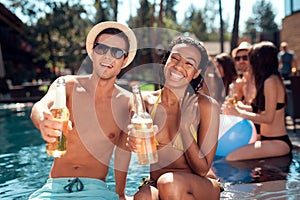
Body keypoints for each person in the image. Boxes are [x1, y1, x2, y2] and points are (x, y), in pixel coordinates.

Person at [29, 21, 137, 199]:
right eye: (102, 48)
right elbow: (40, 106)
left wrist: (121, 194)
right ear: (92, 53)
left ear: (124, 60)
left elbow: (123, 153)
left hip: (96, 190)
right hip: (53, 189)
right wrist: (42, 119)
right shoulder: (68, 85)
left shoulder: (126, 102)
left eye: (117, 52)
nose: (108, 57)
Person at [128, 36, 221, 199]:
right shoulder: (144, 103)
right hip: (157, 182)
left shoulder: (206, 107)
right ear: (166, 61)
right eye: (175, 58)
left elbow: (202, 169)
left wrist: (185, 128)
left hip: (201, 184)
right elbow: (122, 142)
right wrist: (130, 141)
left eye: (189, 63)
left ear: (196, 73)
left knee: (169, 183)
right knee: (143, 197)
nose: (178, 67)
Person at [222, 41, 292, 161]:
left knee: (231, 157)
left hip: (277, 141)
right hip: (264, 138)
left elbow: (268, 118)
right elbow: (260, 110)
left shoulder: (270, 81)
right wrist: (237, 109)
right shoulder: (270, 79)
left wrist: (238, 113)